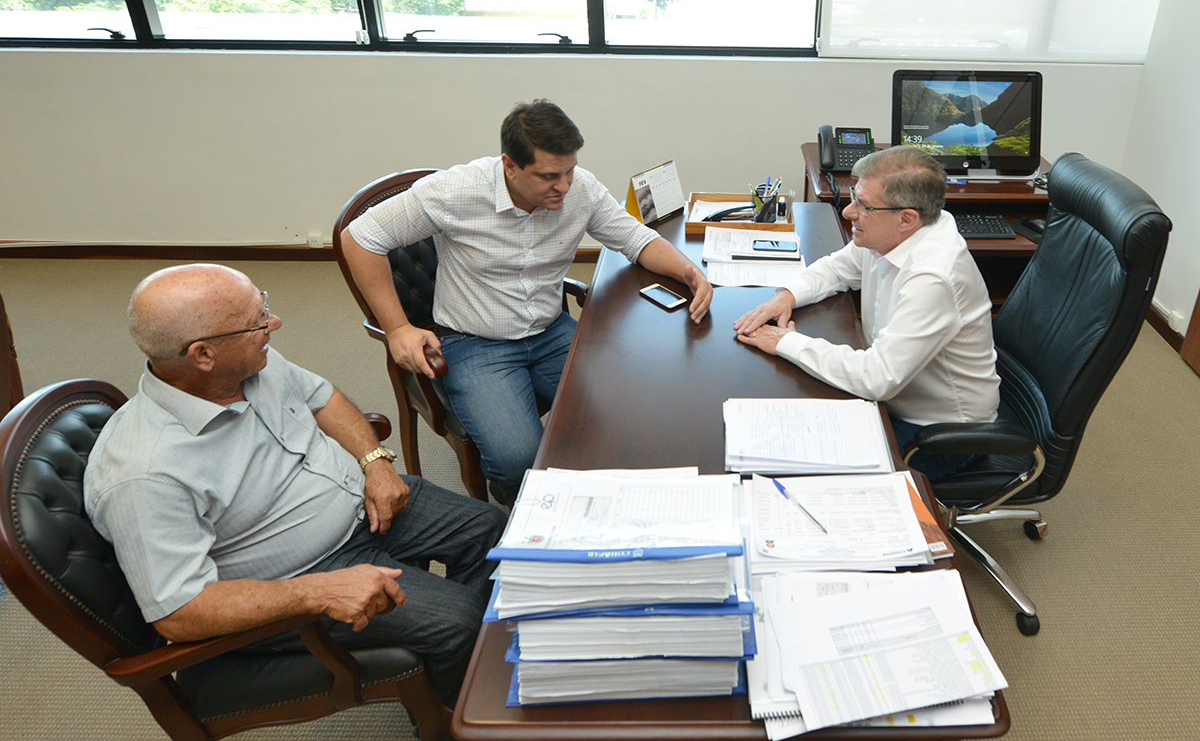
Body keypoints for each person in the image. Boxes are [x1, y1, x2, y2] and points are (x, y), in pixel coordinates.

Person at [83, 264, 508, 707]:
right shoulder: (145, 474)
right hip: (299, 576)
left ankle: (457, 671)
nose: (274, 323)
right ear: (202, 355)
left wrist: (375, 462)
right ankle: (460, 712)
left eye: (262, 306)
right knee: (459, 620)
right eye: (258, 320)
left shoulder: (245, 360)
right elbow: (178, 612)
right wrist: (320, 591)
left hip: (363, 505)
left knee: (489, 530)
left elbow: (320, 397)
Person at [340, 99, 712, 502]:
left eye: (569, 171)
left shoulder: (579, 188)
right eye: (549, 176)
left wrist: (689, 271)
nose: (565, 186)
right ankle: (517, 493)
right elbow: (359, 238)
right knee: (517, 459)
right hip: (475, 342)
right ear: (510, 166)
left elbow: (635, 239)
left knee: (629, 407)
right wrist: (397, 328)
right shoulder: (454, 191)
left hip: (551, 330)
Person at [733, 146, 1000, 478]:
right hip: (898, 398)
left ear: (907, 218)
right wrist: (786, 297)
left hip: (939, 432)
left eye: (863, 205)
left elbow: (877, 378)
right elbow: (836, 269)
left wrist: (785, 342)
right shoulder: (896, 232)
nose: (848, 212)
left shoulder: (934, 277)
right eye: (853, 197)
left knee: (803, 466)